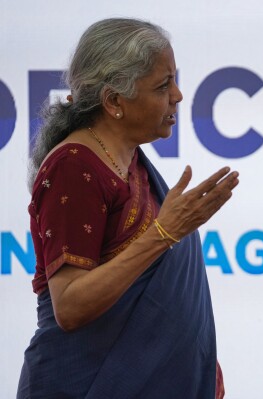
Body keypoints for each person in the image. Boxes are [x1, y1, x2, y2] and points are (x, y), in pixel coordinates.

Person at [18, 18, 237, 399]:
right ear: (114, 101)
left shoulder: (129, 161)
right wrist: (164, 234)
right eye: (162, 85)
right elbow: (69, 306)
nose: (178, 96)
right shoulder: (74, 167)